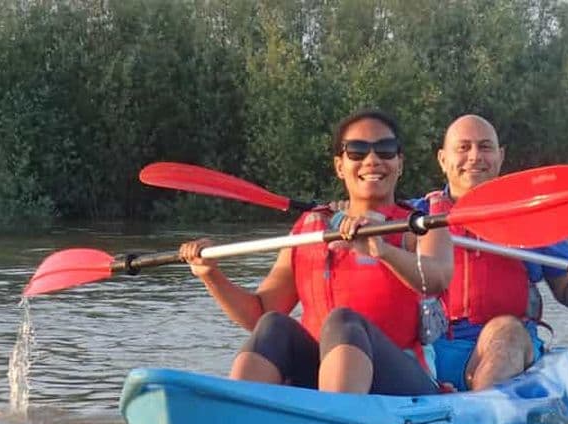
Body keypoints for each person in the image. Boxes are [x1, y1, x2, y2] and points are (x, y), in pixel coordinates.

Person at [179, 109, 453, 395]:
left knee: (342, 320)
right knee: (274, 326)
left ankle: (336, 418)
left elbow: (436, 278)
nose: (372, 160)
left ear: (399, 164)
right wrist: (211, 275)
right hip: (322, 374)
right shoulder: (311, 229)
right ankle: (239, 412)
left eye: (385, 150)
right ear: (339, 166)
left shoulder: (421, 224)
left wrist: (383, 251)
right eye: (357, 151)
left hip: (401, 380)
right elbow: (259, 312)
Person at [418, 114, 568, 391]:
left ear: (500, 156)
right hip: (432, 349)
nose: (474, 157)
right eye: (463, 148)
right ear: (442, 159)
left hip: (507, 346)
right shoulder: (414, 217)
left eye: (485, 147)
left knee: (505, 330)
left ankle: (482, 410)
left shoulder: (531, 217)